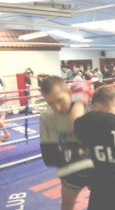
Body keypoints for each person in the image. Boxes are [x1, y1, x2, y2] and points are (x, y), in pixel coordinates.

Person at [39, 75, 88, 210]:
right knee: (67, 205)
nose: (57, 107)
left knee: (105, 203)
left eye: (59, 100)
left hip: (97, 167)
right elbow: (49, 156)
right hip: (71, 171)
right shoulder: (47, 116)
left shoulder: (88, 104)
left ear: (70, 92)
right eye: (50, 103)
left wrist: (68, 150)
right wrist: (81, 151)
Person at [0, 76, 10, 142]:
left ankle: (6, 133)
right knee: (1, 119)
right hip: (2, 99)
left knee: (1, 120)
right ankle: (5, 134)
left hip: (1, 99)